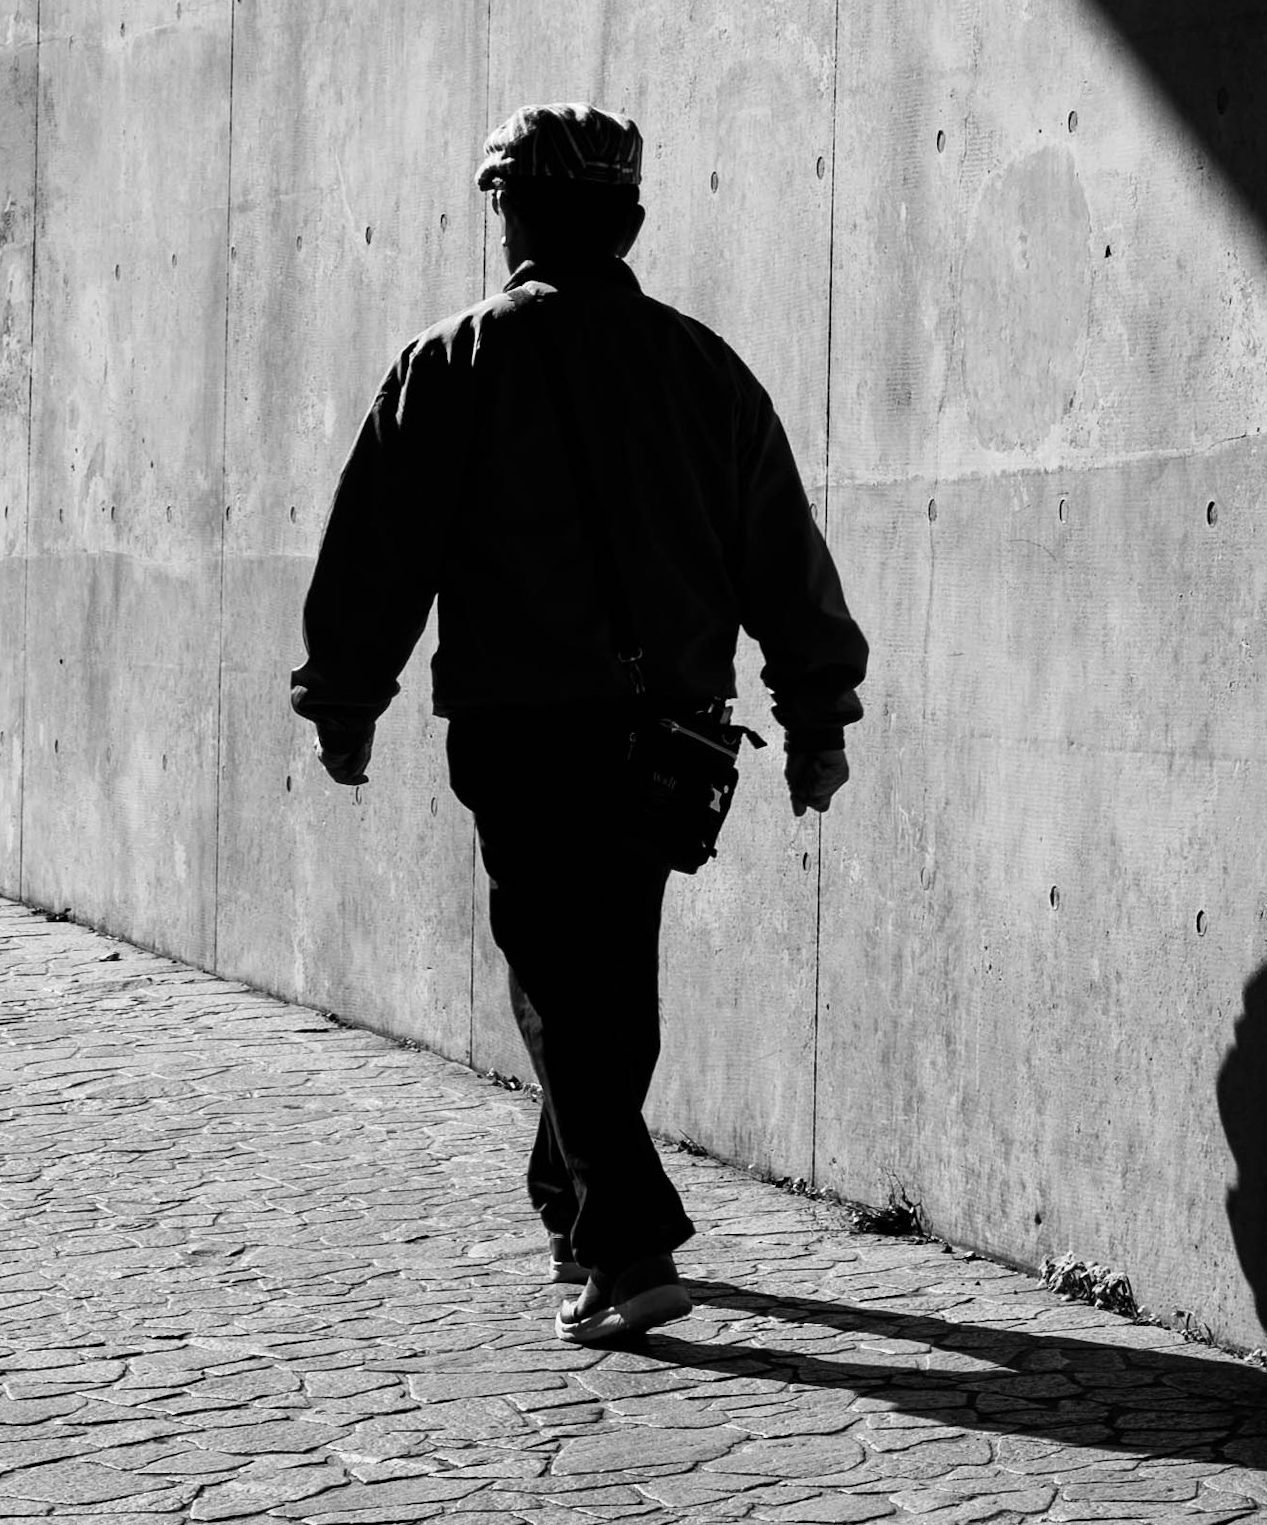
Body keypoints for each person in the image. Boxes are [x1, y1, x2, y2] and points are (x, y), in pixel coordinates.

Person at [289, 105, 867, 1343]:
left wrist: (345, 701)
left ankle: (631, 1240)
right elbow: (783, 557)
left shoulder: (451, 366)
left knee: (559, 985)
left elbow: (379, 551)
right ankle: (570, 1209)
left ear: (511, 218)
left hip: (524, 728)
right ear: (634, 225)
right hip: (673, 737)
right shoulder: (707, 371)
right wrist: (816, 719)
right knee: (616, 983)